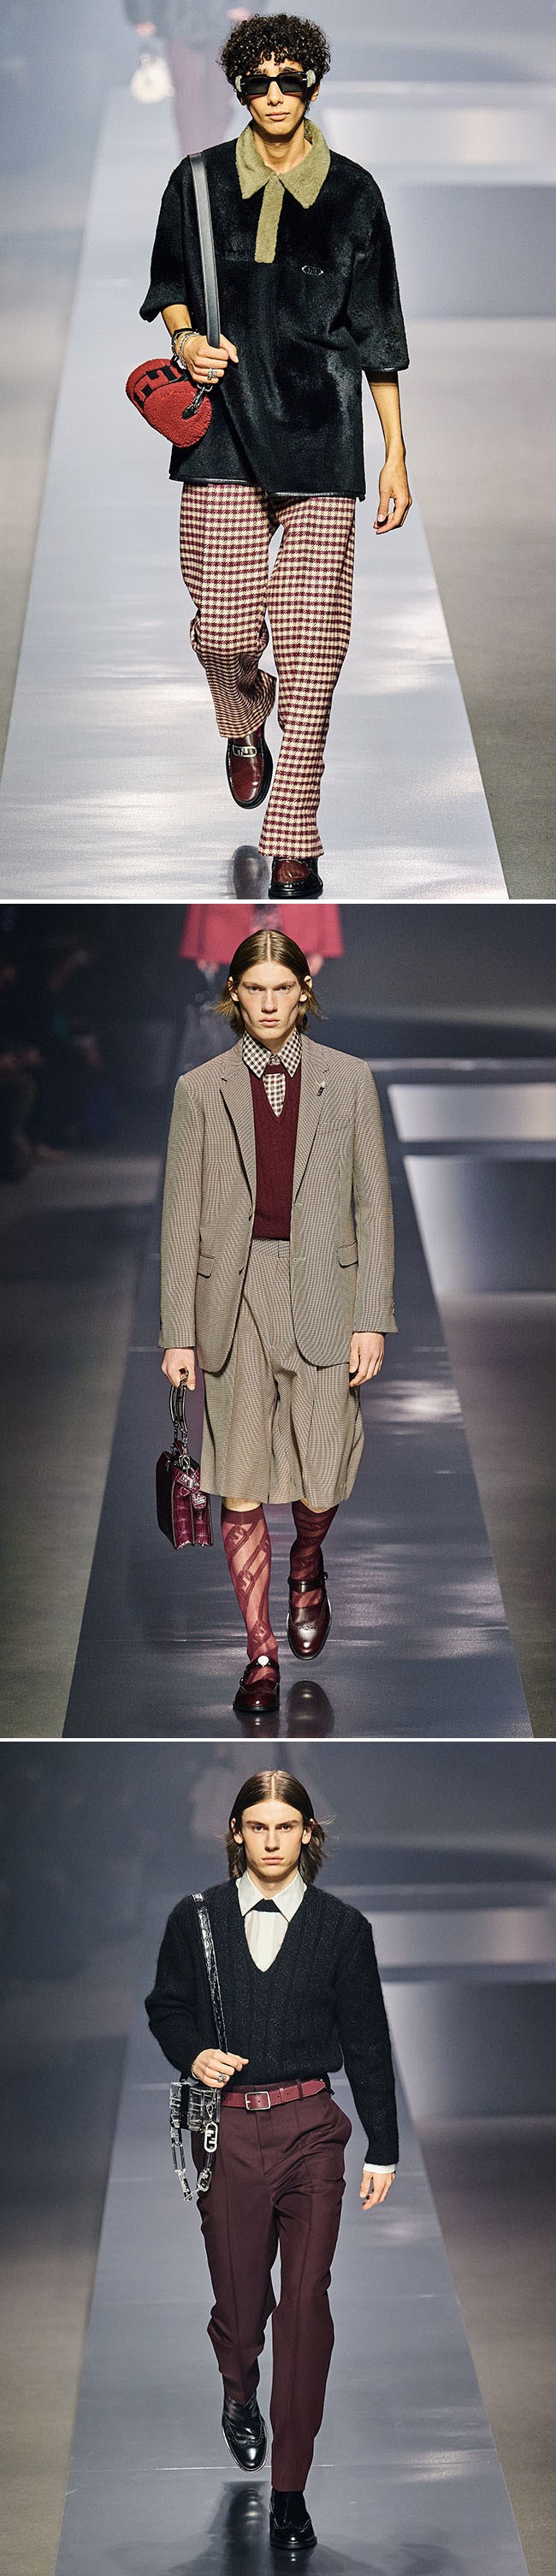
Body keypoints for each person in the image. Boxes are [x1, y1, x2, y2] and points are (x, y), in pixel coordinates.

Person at [139, 11, 411, 898]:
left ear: (313, 85)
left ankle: (295, 835)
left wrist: (395, 454)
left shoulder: (354, 194)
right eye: (257, 82)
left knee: (312, 652)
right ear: (238, 89)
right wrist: (185, 343)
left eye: (289, 79)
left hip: (323, 435)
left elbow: (377, 331)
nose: (273, 95)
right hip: (223, 435)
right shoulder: (197, 180)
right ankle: (240, 713)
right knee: (223, 631)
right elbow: (170, 285)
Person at [145, 1767, 398, 2555]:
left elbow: (367, 2039)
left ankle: (291, 2487)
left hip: (312, 2128)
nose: (272, 1841)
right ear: (237, 1833)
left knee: (306, 2302)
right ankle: (237, 2389)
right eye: (258, 1827)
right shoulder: (196, 1919)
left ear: (308, 1834)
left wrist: (384, 2146)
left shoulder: (343, 1929)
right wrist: (194, 2053)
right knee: (241, 2306)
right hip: (228, 2129)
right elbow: (167, 2006)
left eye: (286, 1827)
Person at [160, 924, 395, 1715]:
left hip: (326, 1287)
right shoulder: (201, 1089)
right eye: (254, 990)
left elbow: (373, 1205)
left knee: (323, 1467)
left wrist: (372, 1315)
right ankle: (259, 1650)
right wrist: (178, 1331)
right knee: (240, 1478)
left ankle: (307, 1562)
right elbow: (180, 1217)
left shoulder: (348, 1080)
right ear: (234, 994)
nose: (268, 1004)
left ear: (304, 992)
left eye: (281, 989)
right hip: (231, 1298)